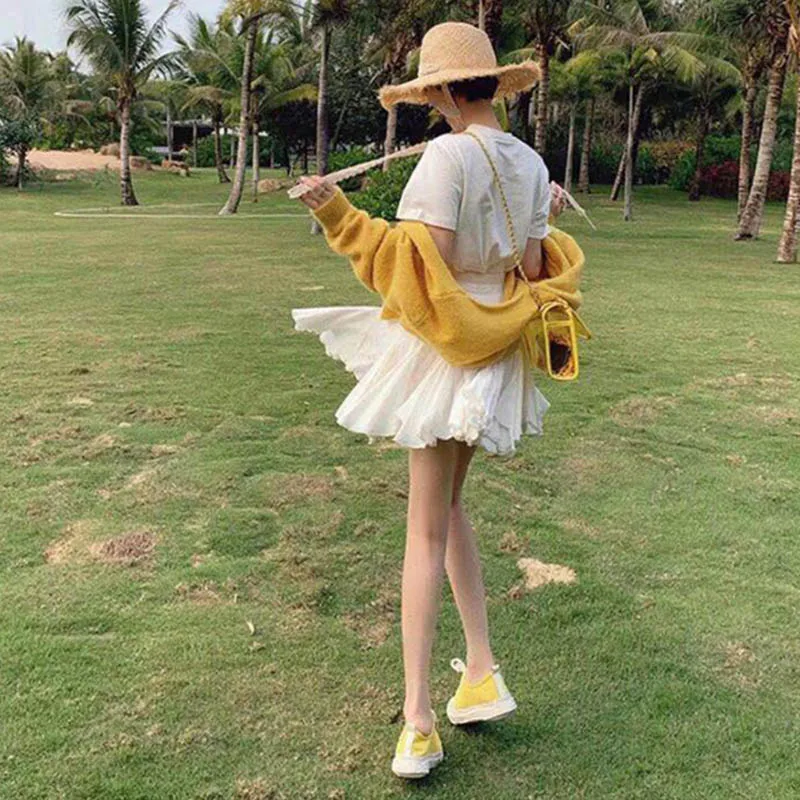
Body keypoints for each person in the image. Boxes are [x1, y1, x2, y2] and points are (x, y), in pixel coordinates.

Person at [291, 21, 563, 780]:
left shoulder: (446, 156)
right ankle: (479, 672)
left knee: (424, 527)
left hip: (448, 347)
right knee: (447, 508)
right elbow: (531, 263)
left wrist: (337, 215)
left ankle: (417, 720)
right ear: (491, 84)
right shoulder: (530, 162)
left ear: (442, 90)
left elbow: (423, 273)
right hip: (495, 344)